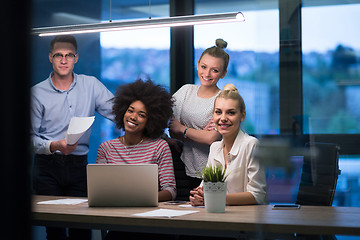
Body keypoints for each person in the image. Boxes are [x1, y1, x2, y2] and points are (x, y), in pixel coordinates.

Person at [31, 35, 114, 240]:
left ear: (76, 58)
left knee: (82, 228)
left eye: (69, 55)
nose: (64, 60)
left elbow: (118, 112)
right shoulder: (36, 93)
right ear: (50, 57)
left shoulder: (91, 85)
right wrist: (54, 146)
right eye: (58, 55)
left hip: (79, 167)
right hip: (47, 167)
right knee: (55, 230)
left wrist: (152, 124)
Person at [96, 79, 177, 240]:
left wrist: (139, 198)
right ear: (123, 111)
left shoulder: (160, 147)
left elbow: (171, 191)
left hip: (152, 224)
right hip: (119, 223)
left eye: (142, 115)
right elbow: (99, 191)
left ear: (150, 120)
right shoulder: (106, 149)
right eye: (130, 111)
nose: (133, 117)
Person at [190, 84, 268, 207]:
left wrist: (216, 198)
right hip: (219, 216)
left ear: (242, 116)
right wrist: (197, 197)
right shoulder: (215, 148)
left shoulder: (251, 144)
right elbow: (204, 188)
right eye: (218, 112)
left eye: (231, 113)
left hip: (247, 219)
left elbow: (257, 195)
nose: (223, 118)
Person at [169, 38, 229, 190]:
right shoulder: (185, 91)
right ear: (197, 65)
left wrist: (183, 129)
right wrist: (198, 133)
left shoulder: (223, 98)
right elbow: (171, 130)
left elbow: (212, 138)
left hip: (215, 170)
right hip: (186, 167)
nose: (207, 73)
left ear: (223, 73)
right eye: (203, 67)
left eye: (215, 70)